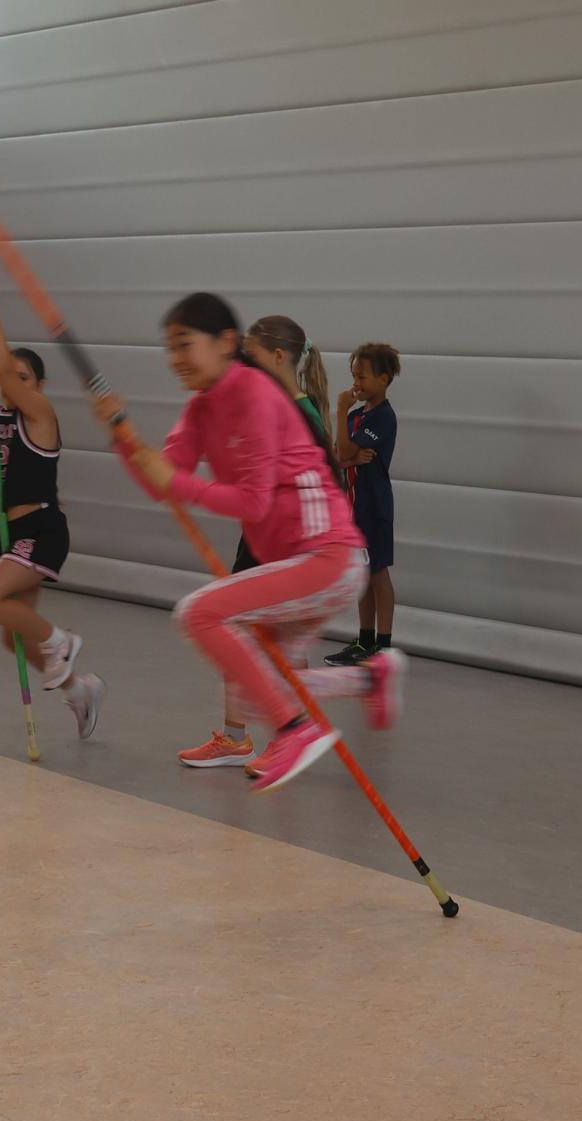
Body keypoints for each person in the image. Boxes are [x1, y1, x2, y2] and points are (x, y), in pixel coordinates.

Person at [109, 293, 404, 792]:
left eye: (184, 344)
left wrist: (176, 481)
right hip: (296, 563)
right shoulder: (201, 407)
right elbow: (165, 484)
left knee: (198, 614)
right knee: (253, 685)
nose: (175, 359)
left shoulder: (257, 395)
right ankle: (369, 678)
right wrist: (125, 440)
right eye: (169, 348)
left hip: (328, 557)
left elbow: (253, 502)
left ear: (226, 342)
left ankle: (296, 730)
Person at [179, 314, 331, 771]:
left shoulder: (301, 414)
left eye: (251, 354)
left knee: (284, 648)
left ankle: (293, 737)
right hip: (259, 540)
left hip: (291, 546)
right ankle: (234, 738)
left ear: (278, 357)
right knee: (236, 632)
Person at [0, 278, 104, 738]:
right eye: (9, 377)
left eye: (23, 379)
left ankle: (63, 641)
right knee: (12, 635)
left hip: (39, 529)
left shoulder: (40, 416)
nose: (12, 385)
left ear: (38, 386)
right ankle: (80, 689)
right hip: (6, 536)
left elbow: (4, 374)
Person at [326, 343, 401, 666]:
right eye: (353, 375)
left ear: (383, 379)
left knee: (378, 571)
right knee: (362, 573)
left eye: (362, 376)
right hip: (353, 506)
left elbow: (343, 451)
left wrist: (340, 412)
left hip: (374, 506)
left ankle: (383, 644)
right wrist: (349, 459)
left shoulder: (383, 417)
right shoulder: (358, 416)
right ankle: (364, 639)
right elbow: (337, 455)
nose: (356, 383)